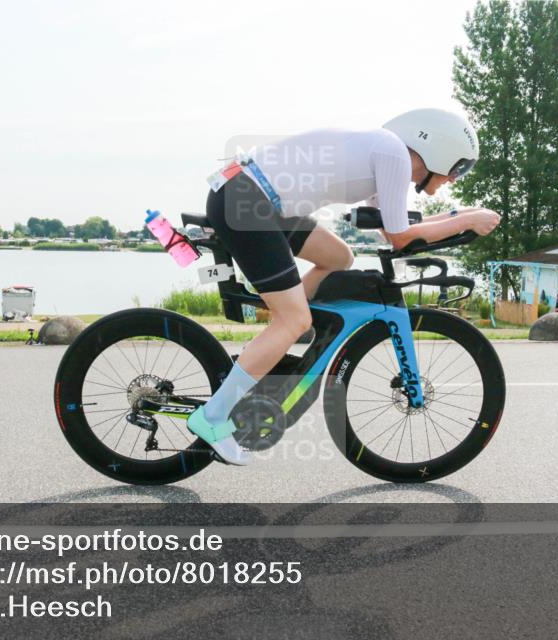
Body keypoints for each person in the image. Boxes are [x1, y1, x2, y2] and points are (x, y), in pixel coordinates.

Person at [187, 108, 501, 465]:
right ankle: (213, 418)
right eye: (458, 168)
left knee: (338, 257)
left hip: (255, 196)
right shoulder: (394, 154)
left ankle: (282, 335)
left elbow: (396, 227)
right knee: (293, 320)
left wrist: (460, 218)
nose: (455, 179)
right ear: (439, 149)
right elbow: (401, 238)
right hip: (247, 200)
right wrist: (467, 218)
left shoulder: (388, 154)